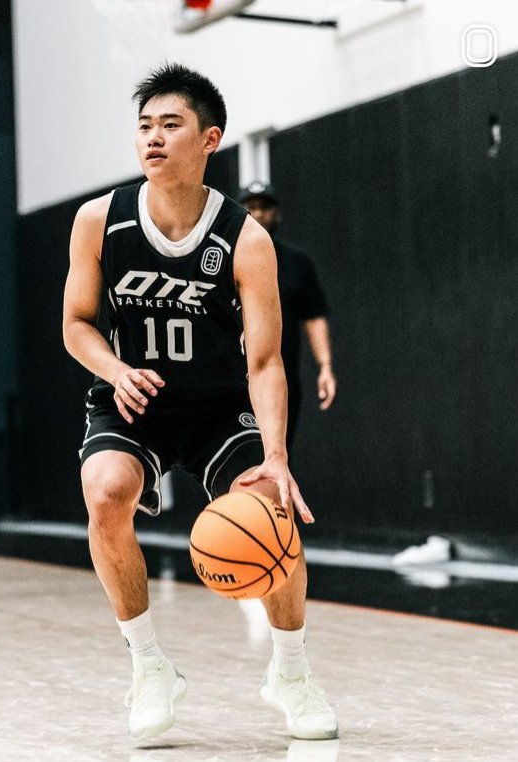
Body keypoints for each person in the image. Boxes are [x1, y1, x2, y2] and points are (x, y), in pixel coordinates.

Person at [62, 63, 337, 743]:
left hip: (218, 406)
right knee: (105, 492)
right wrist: (115, 370)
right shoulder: (99, 220)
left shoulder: (245, 239)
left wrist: (276, 456)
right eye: (144, 126)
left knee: (272, 512)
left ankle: (291, 673)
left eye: (170, 125)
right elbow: (76, 325)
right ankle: (149, 666)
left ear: (209, 139)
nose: (152, 138)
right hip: (134, 399)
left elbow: (265, 360)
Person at [240, 182, 337, 443]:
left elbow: (314, 315)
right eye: (251, 208)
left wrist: (325, 366)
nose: (258, 214)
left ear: (277, 214)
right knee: (241, 453)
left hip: (281, 377)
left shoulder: (296, 262)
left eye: (264, 208)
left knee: (278, 451)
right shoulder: (227, 257)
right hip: (235, 378)